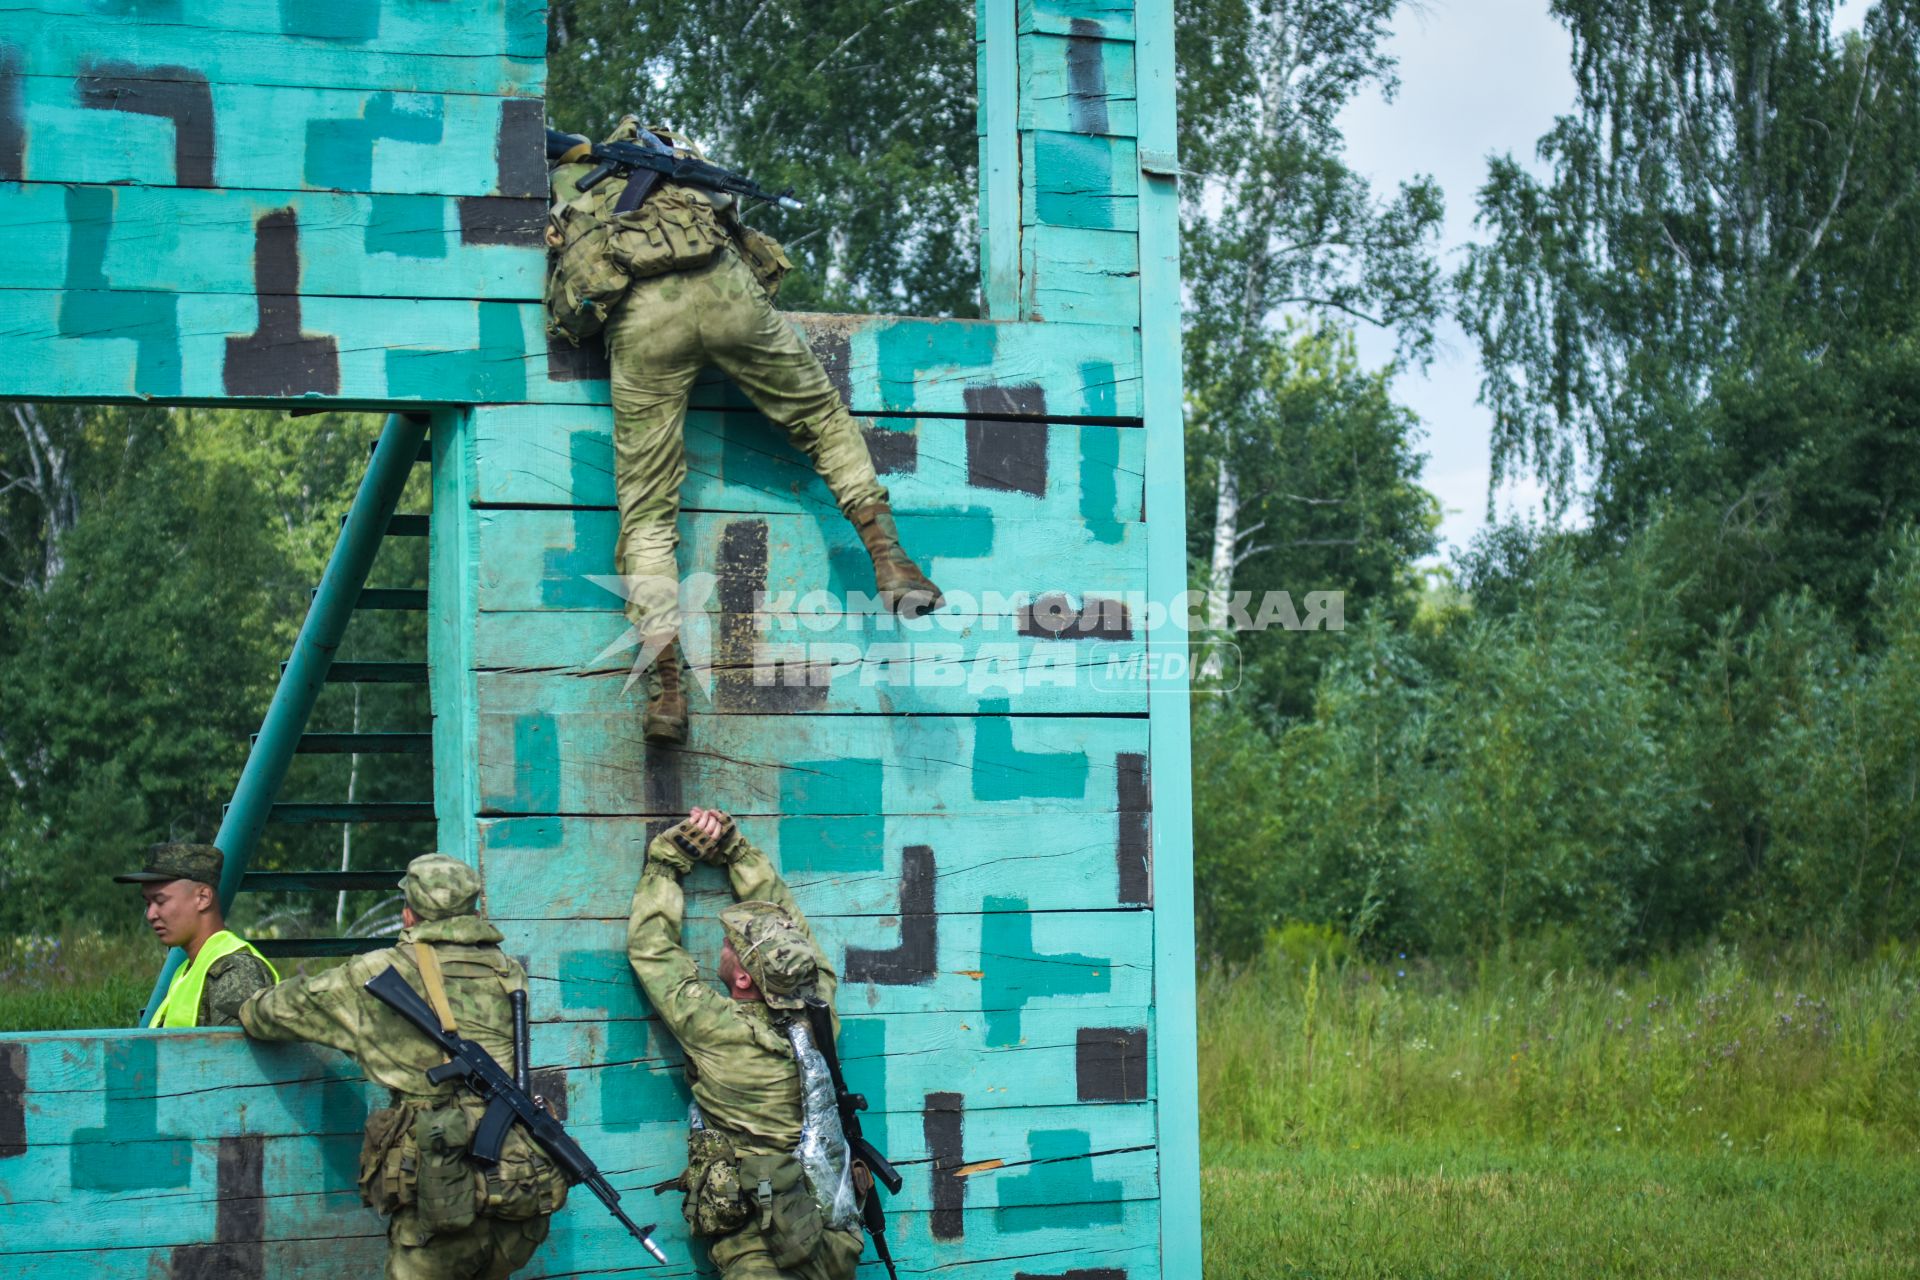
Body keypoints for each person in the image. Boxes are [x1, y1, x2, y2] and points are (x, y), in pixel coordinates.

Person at [546, 118, 945, 745]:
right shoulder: (680, 163)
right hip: (727, 292)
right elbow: (730, 218)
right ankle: (889, 558)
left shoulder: (571, 178)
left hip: (643, 318)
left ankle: (668, 692)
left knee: (647, 514)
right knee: (821, 419)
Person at [239, 854, 565, 1280]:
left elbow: (267, 1015)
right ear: (472, 909)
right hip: (513, 1189)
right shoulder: (508, 971)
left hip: (438, 1196)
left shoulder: (378, 972)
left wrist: (248, 996)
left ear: (408, 912)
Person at [628, 807, 867, 1280]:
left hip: (754, 1240)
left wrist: (667, 861)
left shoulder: (716, 1028)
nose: (720, 945)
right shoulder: (821, 1014)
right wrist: (737, 851)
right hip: (829, 1232)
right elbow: (788, 925)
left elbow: (651, 948)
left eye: (727, 944)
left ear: (740, 976)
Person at [116, 842, 276, 1027]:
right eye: (147, 903)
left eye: (160, 901)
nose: (151, 915)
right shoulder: (188, 970)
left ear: (203, 898)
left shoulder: (234, 969)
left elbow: (235, 1054)